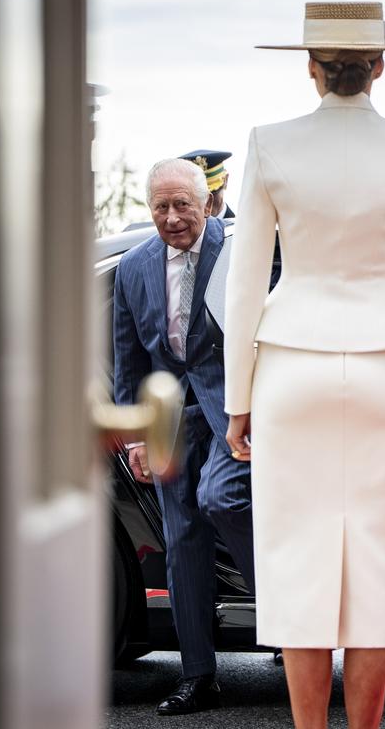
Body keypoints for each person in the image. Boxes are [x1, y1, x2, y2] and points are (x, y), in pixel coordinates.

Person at [223, 1, 385, 729]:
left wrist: (238, 398)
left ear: (311, 67)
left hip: (291, 367)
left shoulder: (268, 143)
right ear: (380, 66)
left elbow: (244, 282)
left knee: (298, 565)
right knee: (381, 566)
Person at [112, 158, 256, 715]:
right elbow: (129, 359)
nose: (171, 218)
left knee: (220, 497)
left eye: (182, 206)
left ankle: (280, 614)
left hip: (235, 411)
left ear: (209, 204)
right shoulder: (134, 267)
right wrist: (137, 437)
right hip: (172, 419)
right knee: (182, 541)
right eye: (160, 207)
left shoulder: (243, 251)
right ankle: (198, 675)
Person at [181, 148, 235, 219]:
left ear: (225, 181)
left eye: (212, 192)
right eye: (197, 196)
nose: (205, 202)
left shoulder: (241, 227)